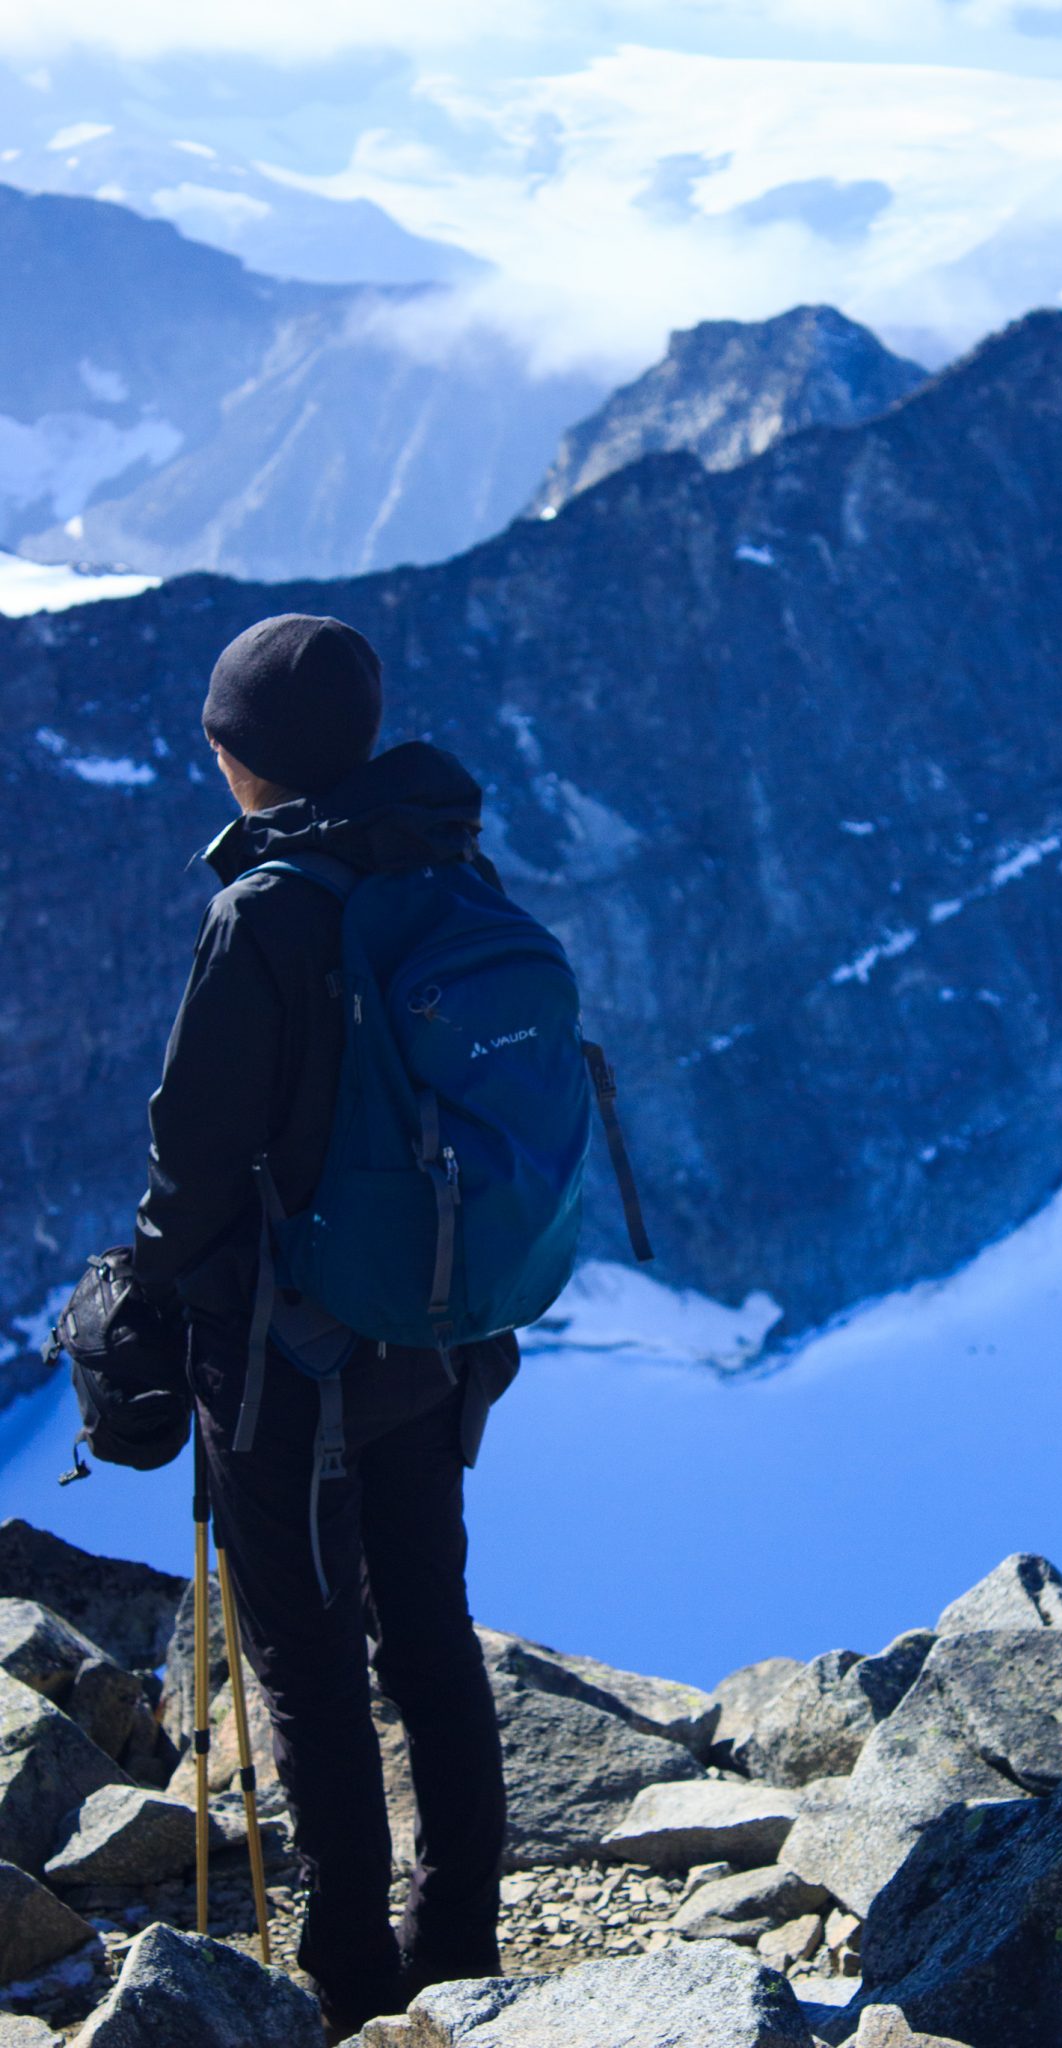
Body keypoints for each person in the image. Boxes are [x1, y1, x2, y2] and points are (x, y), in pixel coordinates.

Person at [131, 613, 510, 2041]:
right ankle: (462, 1946)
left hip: (290, 1352)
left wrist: (146, 1283)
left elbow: (196, 1154)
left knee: (302, 1649)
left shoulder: (264, 911)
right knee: (429, 1626)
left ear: (242, 759)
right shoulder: (443, 856)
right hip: (440, 1330)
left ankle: (351, 1975)